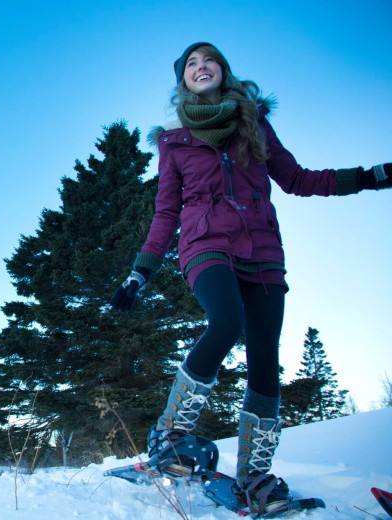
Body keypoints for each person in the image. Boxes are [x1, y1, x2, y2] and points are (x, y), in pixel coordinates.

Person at [110, 42, 390, 516]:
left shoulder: (254, 125)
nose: (201, 68)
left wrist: (370, 176)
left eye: (208, 60)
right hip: (204, 244)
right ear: (183, 83)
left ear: (223, 70)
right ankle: (169, 433)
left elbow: (299, 179)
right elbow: (166, 212)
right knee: (226, 321)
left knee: (265, 360)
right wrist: (140, 272)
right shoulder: (174, 142)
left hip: (262, 251)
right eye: (191, 66)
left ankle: (254, 474)